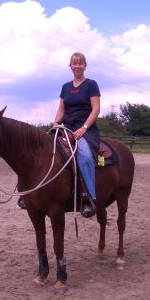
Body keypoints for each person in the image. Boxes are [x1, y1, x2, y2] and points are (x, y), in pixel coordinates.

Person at [52, 52, 101, 218]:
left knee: (85, 156)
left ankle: (89, 197)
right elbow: (62, 108)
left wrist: (84, 127)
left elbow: (96, 109)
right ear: (70, 66)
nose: (77, 66)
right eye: (74, 63)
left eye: (80, 63)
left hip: (86, 129)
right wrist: (55, 123)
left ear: (85, 66)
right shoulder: (65, 87)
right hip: (67, 127)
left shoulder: (91, 84)